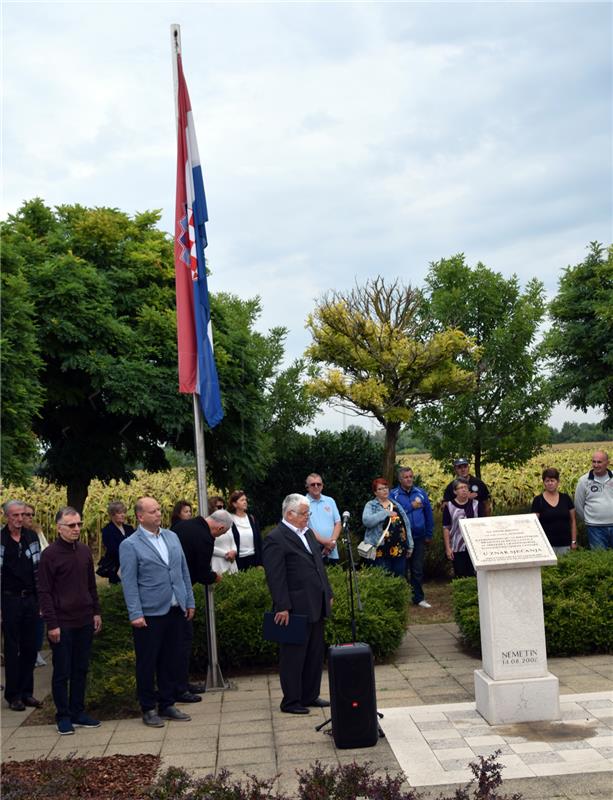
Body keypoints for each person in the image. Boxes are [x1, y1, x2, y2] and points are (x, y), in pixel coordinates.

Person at [119, 496, 195, 728]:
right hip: (150, 613)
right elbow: (129, 583)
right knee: (147, 661)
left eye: (159, 510)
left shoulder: (172, 537)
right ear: (140, 516)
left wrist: (189, 601)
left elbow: (183, 571)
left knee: (170, 659)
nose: (158, 514)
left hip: (174, 609)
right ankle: (148, 707)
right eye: (152, 511)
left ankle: (167, 702)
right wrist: (135, 613)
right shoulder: (130, 545)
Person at [262, 493, 334, 715]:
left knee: (314, 653)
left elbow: (318, 565)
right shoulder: (276, 538)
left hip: (316, 602)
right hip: (294, 606)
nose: (307, 517)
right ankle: (291, 701)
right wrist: (282, 605)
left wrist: (327, 591)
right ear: (290, 514)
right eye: (304, 514)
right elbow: (275, 576)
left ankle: (310, 695)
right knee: (294, 656)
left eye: (308, 513)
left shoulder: (307, 533)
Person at [38, 506, 102, 735]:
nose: (76, 529)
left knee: (81, 669)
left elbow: (91, 585)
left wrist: (96, 611)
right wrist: (52, 624)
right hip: (62, 622)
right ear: (59, 528)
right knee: (62, 670)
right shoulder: (50, 555)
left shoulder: (84, 551)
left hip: (84, 619)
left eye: (79, 525)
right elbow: (44, 592)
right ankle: (63, 715)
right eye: (71, 525)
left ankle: (78, 712)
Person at [173, 508, 234, 700]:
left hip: (168, 591)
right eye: (222, 533)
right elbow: (202, 573)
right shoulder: (206, 538)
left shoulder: (182, 525)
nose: (219, 536)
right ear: (220, 527)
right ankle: (180, 688)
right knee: (182, 642)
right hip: (180, 594)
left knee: (174, 644)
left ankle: (180, 683)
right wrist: (215, 577)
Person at [0, 500, 43, 711]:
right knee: (12, 647)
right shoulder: (1, 540)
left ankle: (27, 692)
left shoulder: (31, 537)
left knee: (31, 646)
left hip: (31, 598)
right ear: (7, 516)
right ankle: (13, 694)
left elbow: (38, 569)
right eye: (15, 515)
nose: (19, 519)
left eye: (22, 515)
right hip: (9, 599)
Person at [390, 467, 434, 607]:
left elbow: (428, 514)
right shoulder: (393, 494)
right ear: (400, 479)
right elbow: (396, 514)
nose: (409, 479)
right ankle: (402, 598)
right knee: (401, 569)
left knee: (417, 569)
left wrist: (429, 533)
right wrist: (411, 506)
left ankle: (419, 598)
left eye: (411, 476)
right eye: (406, 477)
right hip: (402, 539)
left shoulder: (421, 493)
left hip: (419, 537)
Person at [362, 478, 414, 577]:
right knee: (383, 580)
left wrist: (410, 545)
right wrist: (385, 513)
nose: (385, 490)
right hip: (380, 551)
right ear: (375, 492)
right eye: (380, 489)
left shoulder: (396, 505)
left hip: (399, 549)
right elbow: (367, 521)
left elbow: (406, 524)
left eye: (386, 487)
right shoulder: (371, 505)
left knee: (399, 579)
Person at [23, 504, 49, 667]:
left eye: (31, 514)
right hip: (21, 587)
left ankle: (36, 651)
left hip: (38, 581)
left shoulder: (37, 532)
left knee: (39, 618)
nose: (29, 518)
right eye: (26, 514)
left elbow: (46, 550)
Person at [442, 478, 485, 578]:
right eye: (461, 488)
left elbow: (482, 524)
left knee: (474, 574)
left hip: (474, 546)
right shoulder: (449, 506)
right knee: (460, 574)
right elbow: (446, 528)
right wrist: (448, 548)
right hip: (457, 546)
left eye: (465, 487)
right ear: (455, 491)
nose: (464, 490)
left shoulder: (476, 504)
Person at [531, 468, 577, 555]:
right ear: (543, 482)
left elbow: (573, 521)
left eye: (552, 480)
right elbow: (534, 524)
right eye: (547, 481)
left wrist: (574, 541)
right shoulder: (538, 500)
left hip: (565, 544)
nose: (550, 483)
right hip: (546, 545)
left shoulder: (566, 498)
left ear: (558, 482)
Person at [574, 450, 613, 550]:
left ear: (607, 463)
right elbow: (578, 505)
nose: (596, 465)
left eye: (599, 462)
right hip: (595, 528)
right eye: (594, 462)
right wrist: (589, 520)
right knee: (599, 559)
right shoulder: (583, 480)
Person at [304, 473, 341, 565]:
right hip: (313, 551)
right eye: (312, 484)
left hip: (332, 551)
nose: (316, 486)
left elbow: (338, 523)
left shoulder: (330, 501)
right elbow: (305, 527)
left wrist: (331, 543)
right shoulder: (303, 503)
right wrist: (325, 542)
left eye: (318, 484)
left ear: (322, 486)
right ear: (307, 487)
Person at [101, 501, 135, 584]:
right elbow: (113, 550)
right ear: (112, 515)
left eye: (124, 512)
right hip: (116, 566)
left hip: (132, 565)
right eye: (119, 513)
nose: (123, 515)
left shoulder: (129, 528)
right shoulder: (107, 530)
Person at [228, 490, 263, 570]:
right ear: (234, 504)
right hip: (238, 561)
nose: (245, 502)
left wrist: (260, 562)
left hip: (253, 559)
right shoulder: (230, 520)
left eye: (245, 500)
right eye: (242, 500)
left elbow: (259, 541)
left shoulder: (251, 518)